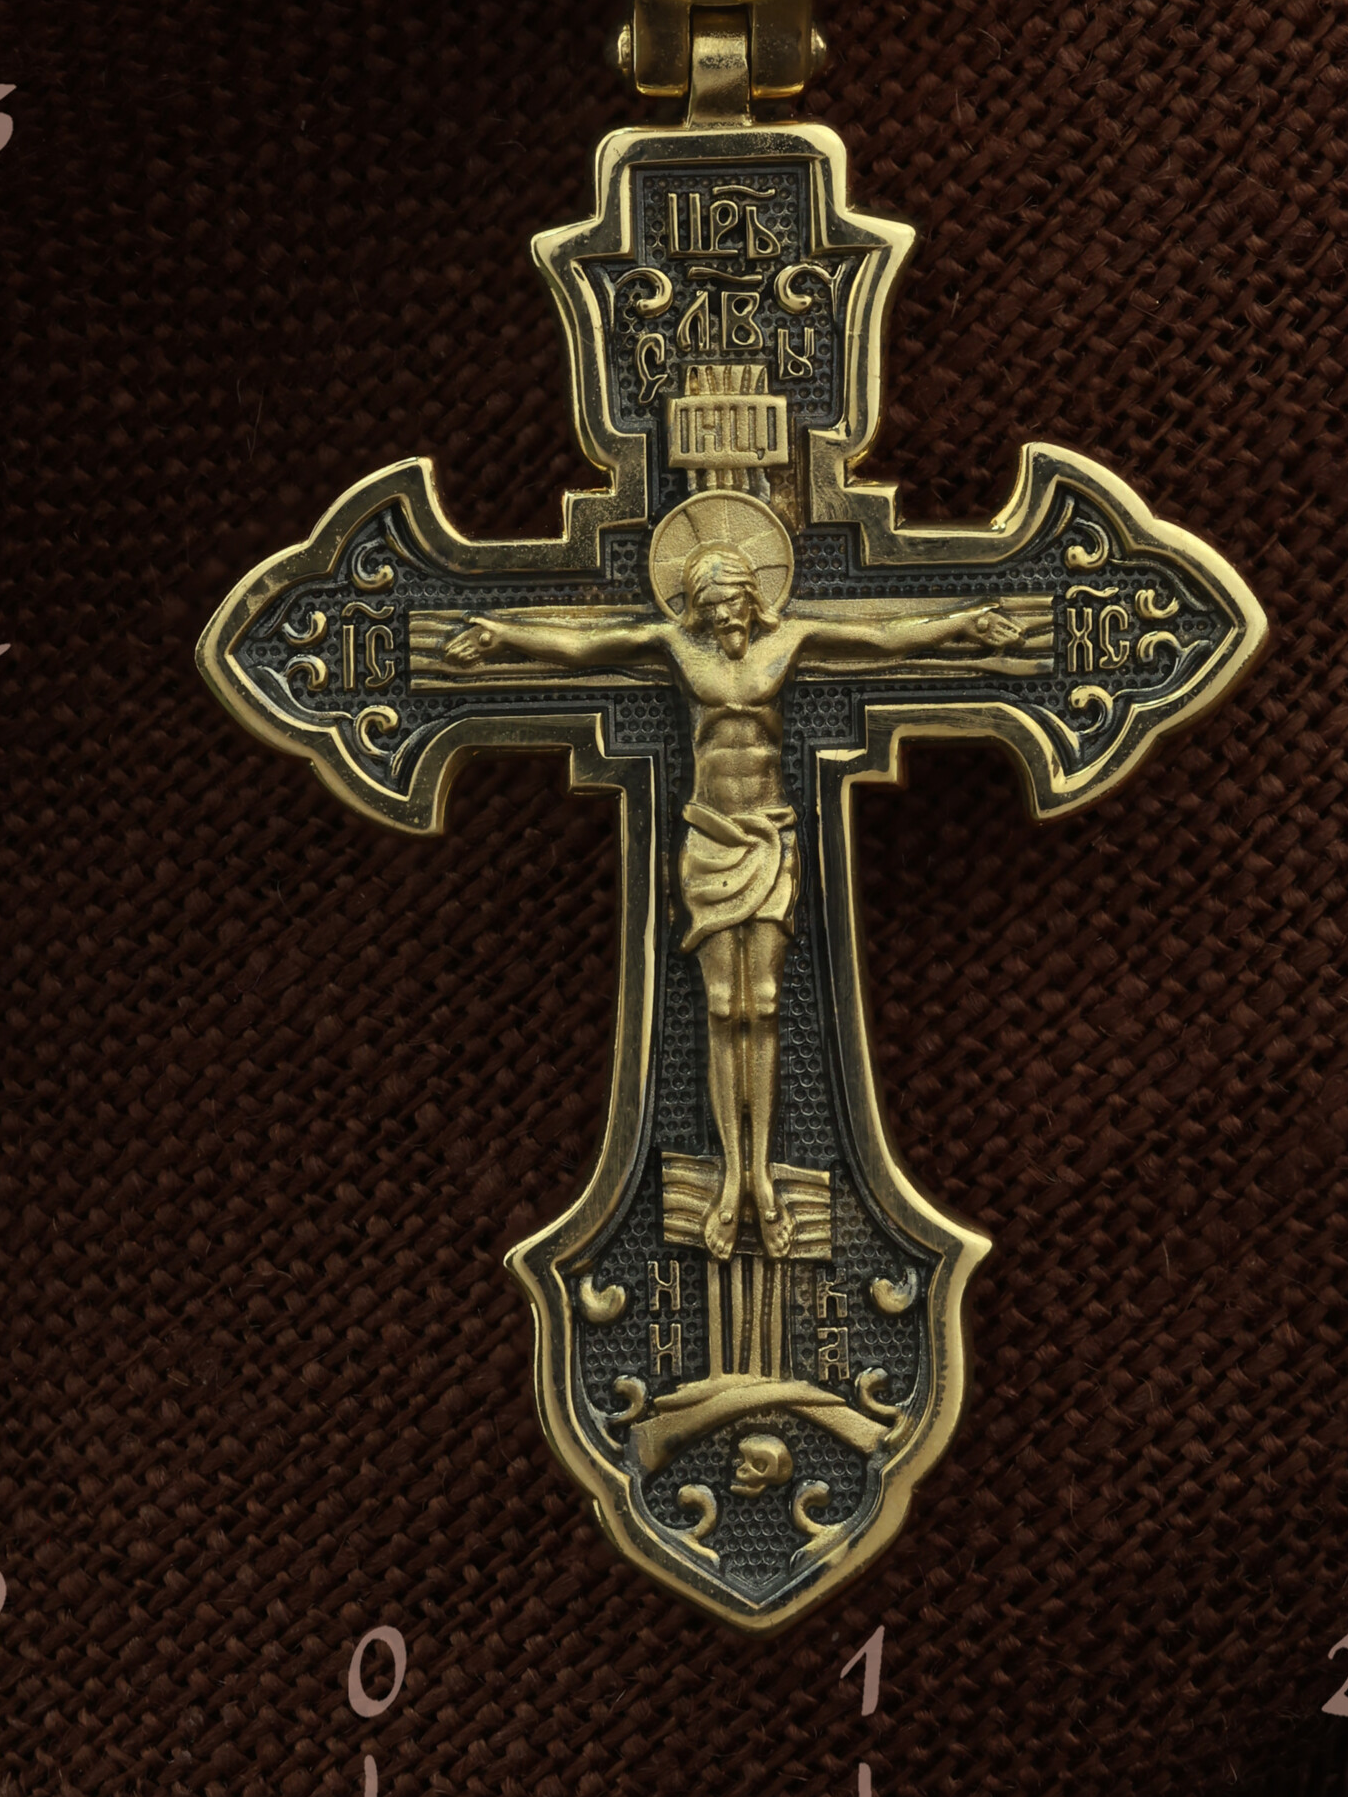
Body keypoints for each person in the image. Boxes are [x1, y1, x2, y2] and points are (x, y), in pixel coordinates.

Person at [444, 537, 1041, 1260]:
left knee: (764, 1002)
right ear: (697, 608)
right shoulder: (675, 646)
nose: (726, 617)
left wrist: (962, 624)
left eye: (734, 603)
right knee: (722, 1009)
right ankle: (732, 1179)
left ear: (754, 599)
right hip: (708, 840)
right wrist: (502, 634)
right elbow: (586, 645)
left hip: (769, 838)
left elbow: (883, 637)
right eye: (713, 607)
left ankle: (761, 1176)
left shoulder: (792, 638)